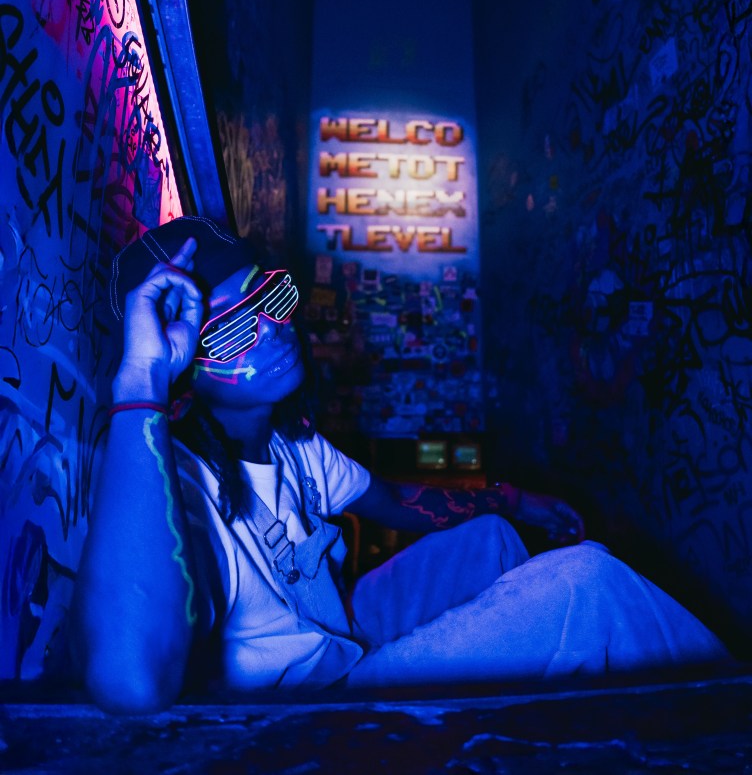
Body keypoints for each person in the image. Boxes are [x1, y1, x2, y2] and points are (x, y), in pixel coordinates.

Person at [71, 217, 729, 714]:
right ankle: (725, 727)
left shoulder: (292, 445)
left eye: (269, 301)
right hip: (311, 714)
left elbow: (397, 501)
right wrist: (141, 378)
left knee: (491, 538)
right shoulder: (183, 493)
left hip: (343, 633)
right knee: (588, 581)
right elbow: (131, 679)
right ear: (182, 369)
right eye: (233, 331)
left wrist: (512, 498)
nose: (273, 331)